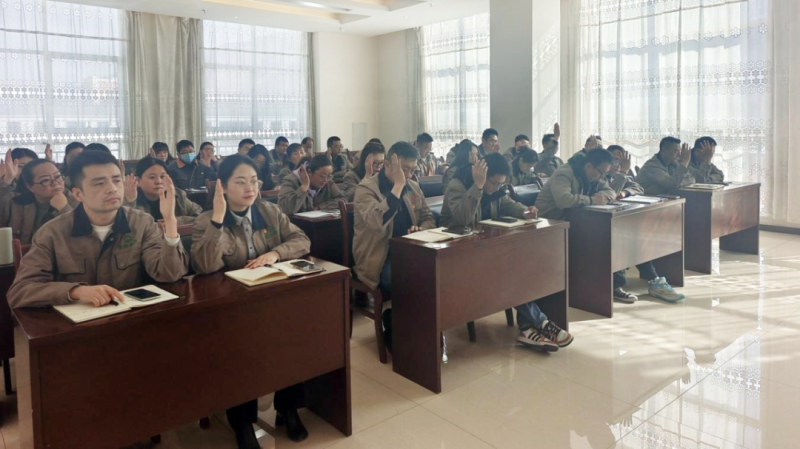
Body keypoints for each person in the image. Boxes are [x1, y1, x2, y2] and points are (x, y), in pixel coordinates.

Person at [191, 155, 311, 447]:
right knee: (239, 352)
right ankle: (243, 423)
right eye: (241, 182)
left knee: (296, 338)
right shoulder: (206, 220)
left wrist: (275, 253)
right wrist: (217, 221)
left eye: (254, 181)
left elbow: (302, 240)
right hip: (231, 308)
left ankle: (288, 408)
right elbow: (204, 266)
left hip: (271, 299)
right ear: (222, 186)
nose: (250, 188)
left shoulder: (269, 211)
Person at [7, 150, 189, 309]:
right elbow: (20, 291)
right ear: (78, 194)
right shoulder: (52, 232)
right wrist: (75, 291)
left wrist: (170, 222)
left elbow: (169, 274)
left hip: (130, 319)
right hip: (77, 327)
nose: (112, 189)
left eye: (116, 180)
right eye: (99, 183)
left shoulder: (142, 223)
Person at [440, 152, 571, 351]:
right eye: (494, 183)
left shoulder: (496, 188)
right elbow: (463, 218)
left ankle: (528, 328)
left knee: (525, 266)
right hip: (458, 256)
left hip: (486, 252)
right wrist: (478, 187)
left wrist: (525, 211)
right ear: (482, 175)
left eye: (501, 184)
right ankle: (541, 323)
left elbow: (508, 203)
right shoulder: (458, 185)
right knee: (508, 273)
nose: (497, 188)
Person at [353, 142, 436, 349]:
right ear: (388, 165)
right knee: (412, 280)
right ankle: (400, 331)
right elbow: (376, 221)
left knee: (435, 275)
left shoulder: (413, 186)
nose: (408, 175)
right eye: (404, 169)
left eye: (412, 170)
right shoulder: (366, 189)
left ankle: (413, 328)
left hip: (410, 252)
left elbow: (428, 217)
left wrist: (420, 229)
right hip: (379, 258)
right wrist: (397, 187)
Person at [0, 159, 77, 244]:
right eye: (45, 180)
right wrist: (6, 181)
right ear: (30, 187)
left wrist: (64, 208)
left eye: (58, 176)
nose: (55, 183)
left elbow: (81, 237)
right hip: (23, 251)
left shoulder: (77, 200)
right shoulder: (17, 203)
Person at [535, 148, 617, 221]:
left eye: (605, 173)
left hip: (572, 217)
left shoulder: (593, 176)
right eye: (601, 172)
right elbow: (563, 200)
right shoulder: (564, 173)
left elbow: (611, 192)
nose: (602, 176)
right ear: (589, 166)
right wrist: (593, 200)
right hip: (550, 221)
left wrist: (602, 197)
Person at [124, 157, 203, 225]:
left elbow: (202, 216)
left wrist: (175, 220)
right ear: (138, 181)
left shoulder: (178, 195)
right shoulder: (130, 198)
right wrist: (130, 202)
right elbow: (127, 227)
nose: (159, 181)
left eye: (162, 176)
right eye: (152, 177)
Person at [278, 154, 346, 215]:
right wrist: (304, 186)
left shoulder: (328, 181)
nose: (326, 180)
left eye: (329, 176)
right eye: (322, 176)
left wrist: (320, 207)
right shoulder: (291, 181)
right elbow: (285, 209)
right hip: (296, 223)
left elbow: (342, 199)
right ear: (309, 172)